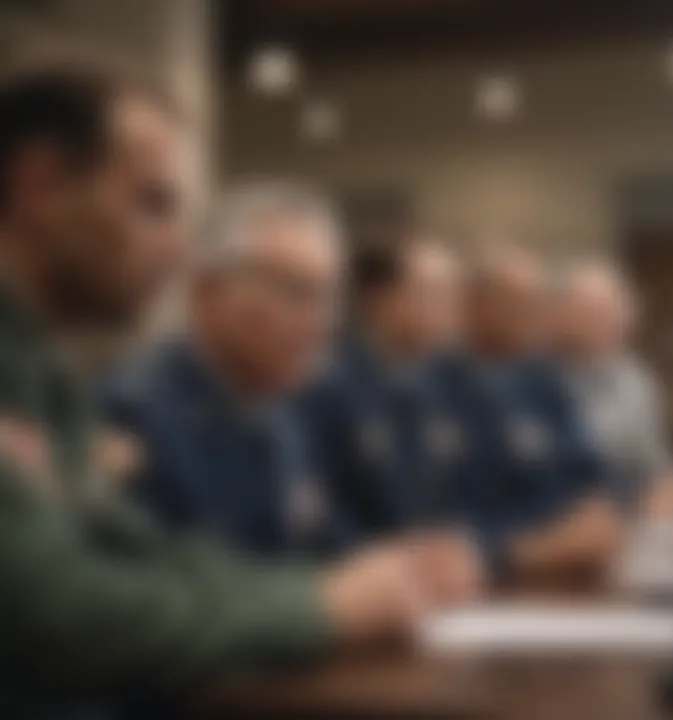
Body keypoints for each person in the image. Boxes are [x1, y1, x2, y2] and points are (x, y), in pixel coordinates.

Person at [0, 66, 466, 717]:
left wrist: (346, 588)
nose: (177, 246)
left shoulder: (42, 371)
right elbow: (55, 609)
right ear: (40, 185)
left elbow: (138, 553)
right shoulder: (130, 404)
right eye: (152, 203)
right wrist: (318, 606)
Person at [100, 183, 350, 559]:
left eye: (327, 296)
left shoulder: (284, 412)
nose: (322, 322)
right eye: (296, 293)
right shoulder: (136, 415)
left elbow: (314, 546)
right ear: (208, 293)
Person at [452, 244, 620, 581]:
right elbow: (427, 525)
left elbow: (589, 475)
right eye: (515, 301)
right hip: (490, 583)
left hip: (570, 571)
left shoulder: (544, 381)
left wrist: (599, 515)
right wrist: (530, 550)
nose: (532, 313)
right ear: (472, 307)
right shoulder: (437, 391)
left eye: (537, 300)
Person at [305, 232, 468, 537]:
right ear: (377, 297)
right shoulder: (325, 387)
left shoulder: (454, 388)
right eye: (432, 293)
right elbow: (319, 509)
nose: (449, 310)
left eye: (452, 295)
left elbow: (473, 498)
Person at [553, 260, 673, 517]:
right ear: (561, 316)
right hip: (566, 513)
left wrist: (672, 487)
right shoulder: (537, 378)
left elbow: (655, 463)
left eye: (618, 314)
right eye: (595, 314)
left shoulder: (636, 380)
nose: (612, 324)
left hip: (631, 513)